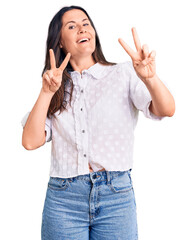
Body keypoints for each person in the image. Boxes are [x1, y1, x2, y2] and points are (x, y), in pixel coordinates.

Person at [21, 5, 175, 240]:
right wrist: (45, 93)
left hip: (116, 197)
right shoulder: (54, 86)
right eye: (71, 26)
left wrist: (150, 78)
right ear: (60, 42)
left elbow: (166, 109)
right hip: (64, 200)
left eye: (86, 23)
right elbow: (30, 142)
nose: (82, 28)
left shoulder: (123, 74)